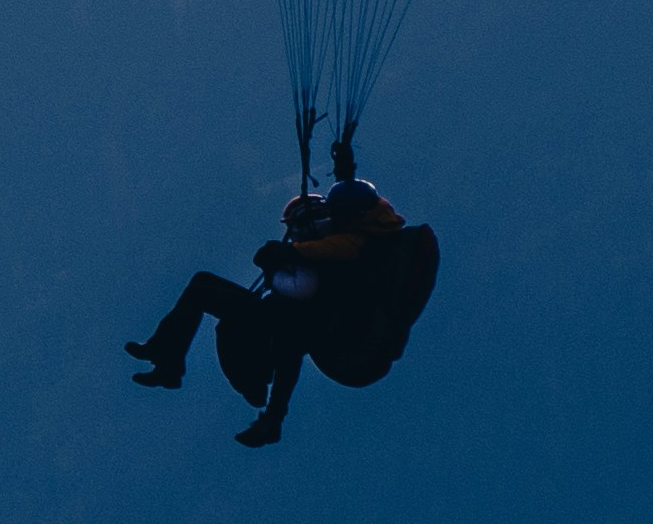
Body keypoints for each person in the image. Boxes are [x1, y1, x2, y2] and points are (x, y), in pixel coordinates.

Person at [124, 134, 445, 445]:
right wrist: (346, 170)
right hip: (332, 340)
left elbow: (329, 252)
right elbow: (350, 206)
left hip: (343, 349)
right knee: (207, 289)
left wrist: (285, 254)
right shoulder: (371, 226)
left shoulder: (345, 251)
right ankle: (167, 359)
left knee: (223, 298)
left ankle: (176, 366)